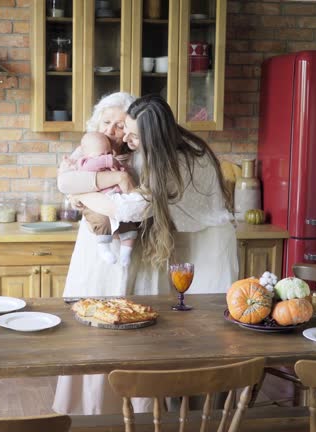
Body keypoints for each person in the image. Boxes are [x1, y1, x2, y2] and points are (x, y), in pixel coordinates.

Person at [52, 94, 237, 415]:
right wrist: (89, 185)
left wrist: (82, 193)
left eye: (128, 130)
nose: (123, 136)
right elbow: (65, 178)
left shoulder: (174, 159)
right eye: (116, 127)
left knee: (200, 333)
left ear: (153, 134)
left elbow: (130, 209)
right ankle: (138, 410)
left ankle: (194, 414)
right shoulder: (106, 144)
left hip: (202, 245)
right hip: (176, 240)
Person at [72, 131, 138, 266]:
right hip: (96, 205)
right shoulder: (85, 164)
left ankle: (126, 252)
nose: (107, 156)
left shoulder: (112, 162)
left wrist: (122, 169)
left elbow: (123, 174)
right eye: (101, 154)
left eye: (108, 152)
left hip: (116, 200)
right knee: (101, 222)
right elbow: (93, 165)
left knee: (129, 224)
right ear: (87, 155)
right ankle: (104, 249)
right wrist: (109, 160)